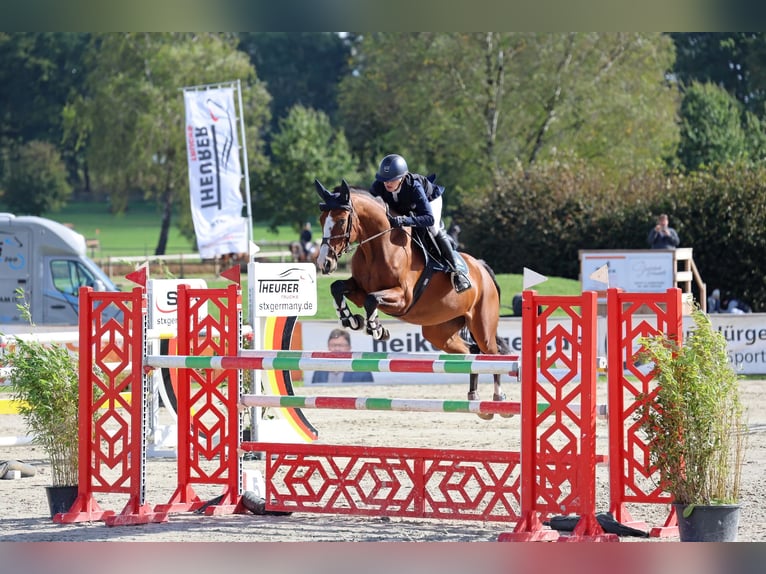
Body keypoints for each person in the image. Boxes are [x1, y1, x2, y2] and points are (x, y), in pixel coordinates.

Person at [370, 154, 471, 293]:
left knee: (433, 228)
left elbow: (428, 218)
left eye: (391, 180)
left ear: (402, 177)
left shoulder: (414, 186)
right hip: (407, 206)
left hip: (429, 201)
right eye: (384, 179)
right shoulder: (378, 186)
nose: (387, 183)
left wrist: (405, 220)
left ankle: (457, 272)